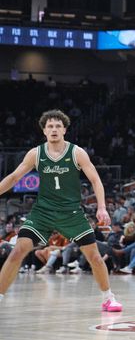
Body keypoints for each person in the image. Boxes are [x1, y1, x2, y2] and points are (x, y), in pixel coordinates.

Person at [0, 110, 122, 311]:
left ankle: (108, 298)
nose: (54, 129)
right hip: (42, 213)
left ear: (65, 129)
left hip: (71, 213)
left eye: (58, 126)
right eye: (50, 126)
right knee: (18, 251)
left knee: (94, 256)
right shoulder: (35, 154)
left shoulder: (76, 152)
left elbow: (95, 179)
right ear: (44, 131)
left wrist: (102, 207)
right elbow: (13, 178)